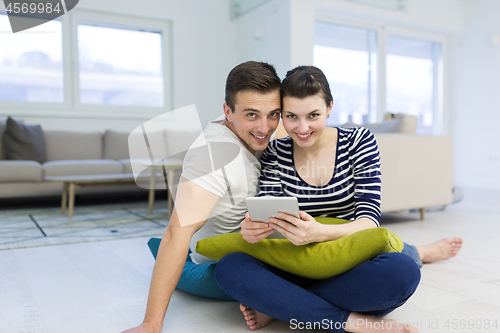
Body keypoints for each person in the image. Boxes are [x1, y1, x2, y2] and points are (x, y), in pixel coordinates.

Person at [123, 61, 462, 333]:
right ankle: (345, 321)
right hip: (270, 259)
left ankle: (281, 306)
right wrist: (152, 324)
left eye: (274, 114)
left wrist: (320, 232)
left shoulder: (330, 136)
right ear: (228, 111)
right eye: (287, 117)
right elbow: (186, 231)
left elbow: (368, 218)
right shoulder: (243, 154)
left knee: (399, 271)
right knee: (232, 270)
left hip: (327, 250)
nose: (275, 127)